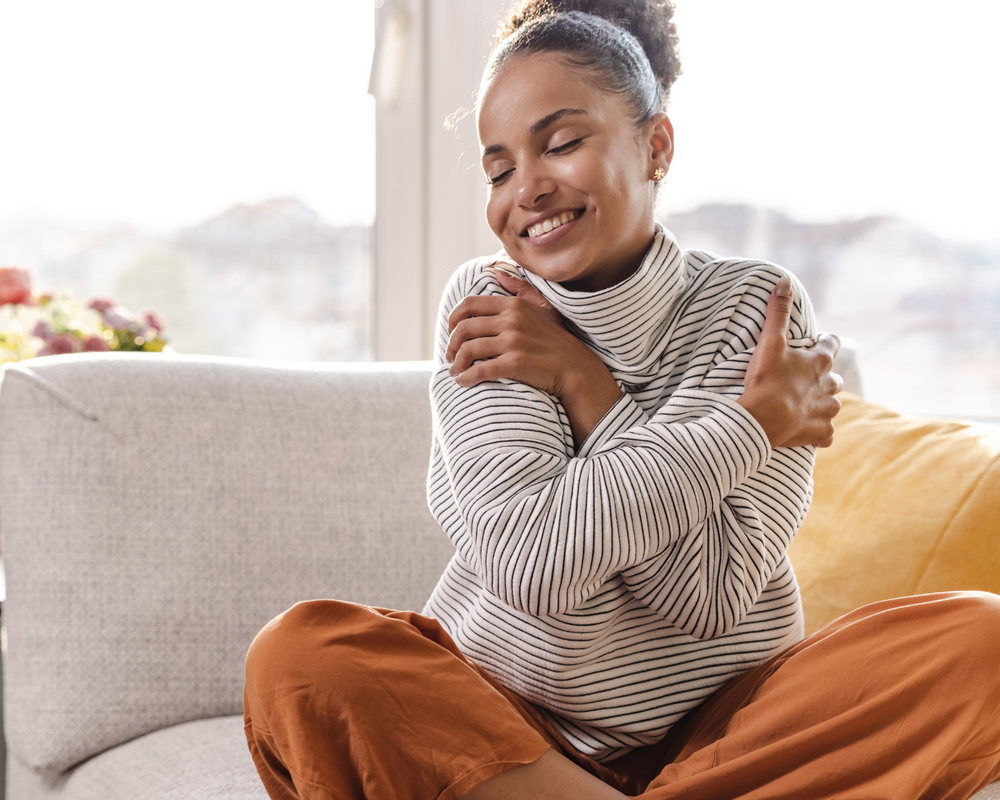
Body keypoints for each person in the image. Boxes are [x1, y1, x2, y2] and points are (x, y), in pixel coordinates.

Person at [243, 2, 1000, 798]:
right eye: (498, 168)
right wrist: (748, 427)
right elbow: (534, 565)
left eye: (562, 143)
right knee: (301, 657)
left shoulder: (755, 309)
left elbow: (707, 597)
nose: (526, 189)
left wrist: (586, 385)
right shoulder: (490, 303)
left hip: (725, 728)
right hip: (511, 731)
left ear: (656, 145)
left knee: (982, 641)